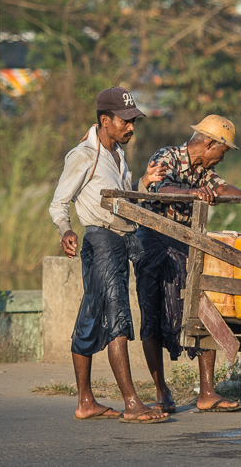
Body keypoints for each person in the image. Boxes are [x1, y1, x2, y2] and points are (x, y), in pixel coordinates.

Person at [49, 87, 169, 424]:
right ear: (105, 120)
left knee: (90, 318)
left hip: (122, 238)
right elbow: (59, 202)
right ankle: (132, 403)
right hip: (100, 241)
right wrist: (66, 230)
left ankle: (85, 401)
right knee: (118, 317)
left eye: (134, 121)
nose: (132, 127)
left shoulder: (117, 155)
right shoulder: (84, 156)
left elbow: (124, 202)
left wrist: (143, 181)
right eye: (126, 121)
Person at [136, 114, 241, 414]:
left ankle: (207, 391)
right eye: (223, 152)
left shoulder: (202, 170)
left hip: (185, 242)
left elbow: (221, 189)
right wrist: (191, 193)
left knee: (202, 303)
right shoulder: (166, 157)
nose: (221, 159)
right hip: (154, 241)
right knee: (152, 312)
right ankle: (161, 392)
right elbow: (161, 189)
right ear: (210, 144)